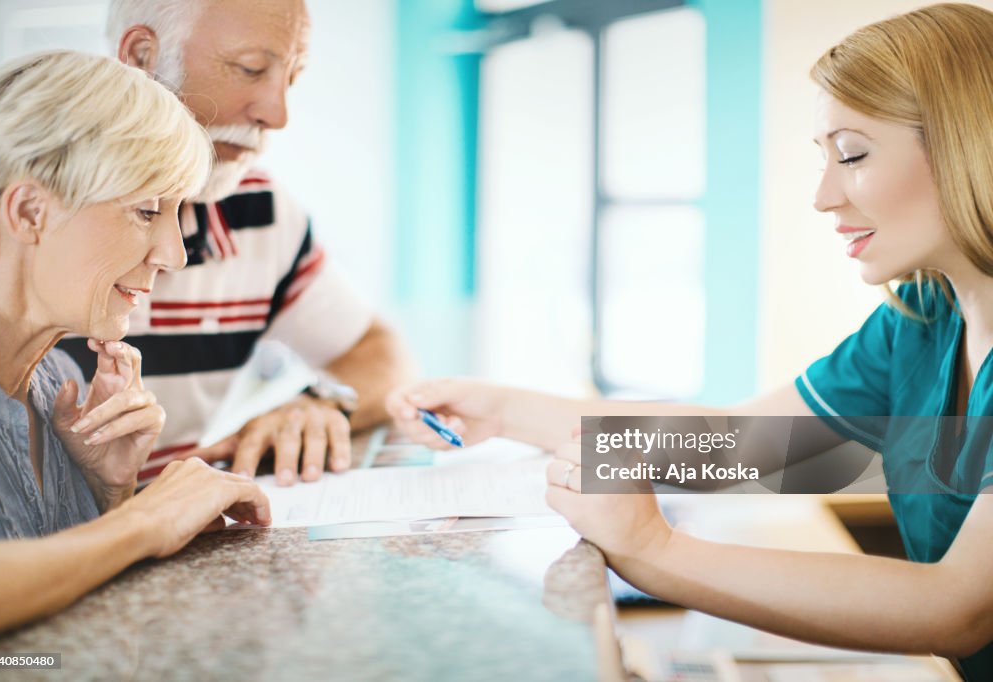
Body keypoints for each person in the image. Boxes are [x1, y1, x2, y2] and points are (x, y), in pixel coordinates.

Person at [387, 4, 993, 678]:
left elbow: (960, 608)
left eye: (851, 155)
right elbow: (748, 449)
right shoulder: (922, 319)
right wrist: (505, 411)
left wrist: (657, 551)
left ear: (968, 142)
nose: (823, 197)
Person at [0, 50, 271, 644]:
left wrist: (110, 494)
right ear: (29, 211)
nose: (175, 255)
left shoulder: (56, 379)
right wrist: (142, 521)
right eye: (145, 211)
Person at [59, 0, 412, 487]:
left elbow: (380, 352)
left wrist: (323, 401)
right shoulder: (20, 212)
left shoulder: (259, 209)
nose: (278, 113)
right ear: (141, 57)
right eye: (249, 69)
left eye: (291, 78)